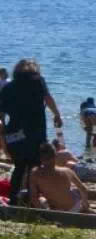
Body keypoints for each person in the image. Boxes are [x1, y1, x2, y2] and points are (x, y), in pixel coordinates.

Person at [0, 59, 63, 200]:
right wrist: (57, 115)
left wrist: (3, 135)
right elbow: (48, 98)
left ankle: (13, 199)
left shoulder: (8, 87)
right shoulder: (38, 82)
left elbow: (1, 115)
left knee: (19, 167)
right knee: (34, 167)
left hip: (14, 134)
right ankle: (30, 199)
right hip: (35, 133)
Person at [27, 142, 89, 212]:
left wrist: (45, 212)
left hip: (54, 210)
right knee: (75, 190)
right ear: (55, 156)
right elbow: (83, 189)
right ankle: (85, 208)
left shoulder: (35, 173)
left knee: (41, 198)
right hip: (73, 209)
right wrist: (85, 204)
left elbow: (34, 197)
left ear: (40, 158)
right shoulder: (67, 171)